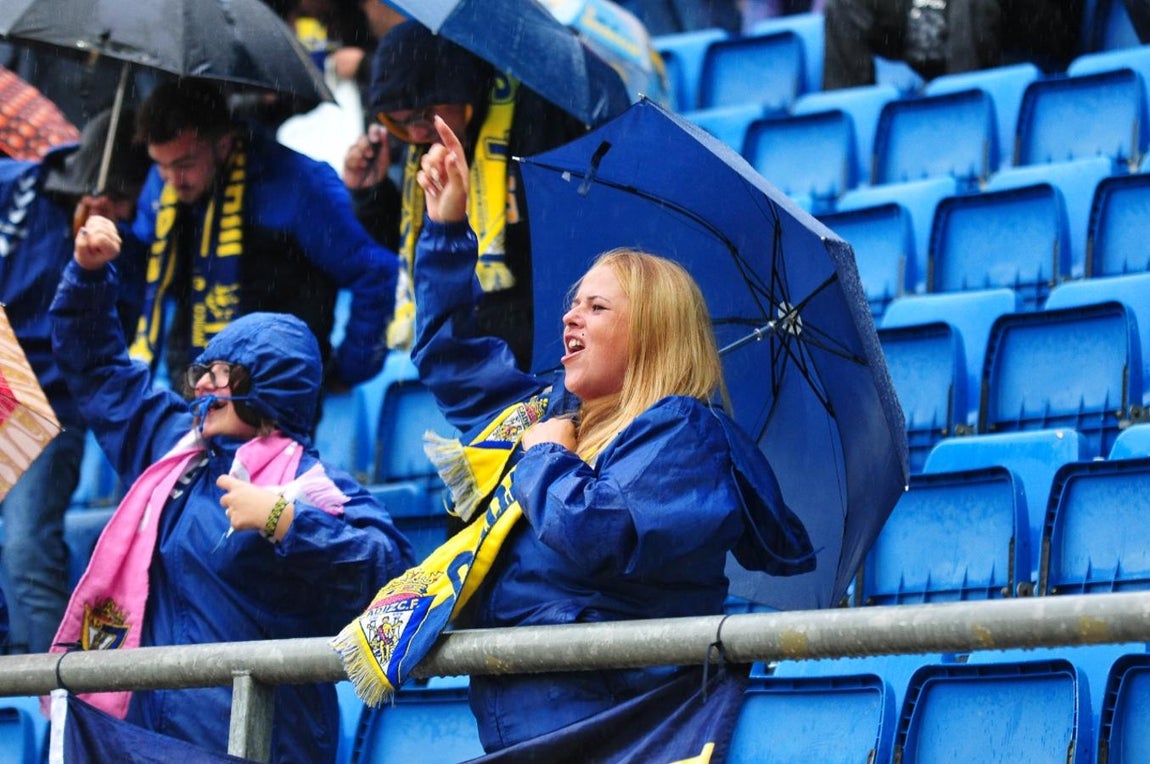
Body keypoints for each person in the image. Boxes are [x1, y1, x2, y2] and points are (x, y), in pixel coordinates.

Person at [332, 117, 815, 752]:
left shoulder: (687, 435)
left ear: (652, 332)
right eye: (573, 302)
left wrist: (546, 460)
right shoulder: (549, 415)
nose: (569, 315)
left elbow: (600, 534)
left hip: (620, 729)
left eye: (597, 306)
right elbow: (451, 362)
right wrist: (447, 230)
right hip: (530, 722)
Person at [48, 215, 415, 762]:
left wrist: (288, 522)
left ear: (267, 385)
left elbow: (395, 579)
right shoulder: (172, 448)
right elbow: (100, 370)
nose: (200, 384)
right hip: (146, 743)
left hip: (266, 745)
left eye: (221, 373)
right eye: (204, 370)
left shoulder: (316, 487)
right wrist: (87, 275)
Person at [117, 78, 398, 394]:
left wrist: (347, 370)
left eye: (185, 164)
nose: (172, 180)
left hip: (277, 398)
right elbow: (141, 276)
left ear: (223, 144)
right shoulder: (162, 185)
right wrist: (112, 244)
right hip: (194, 385)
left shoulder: (299, 184)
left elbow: (376, 274)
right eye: (161, 165)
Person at [341, 20, 592, 369]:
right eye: (398, 122)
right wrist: (370, 193)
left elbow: (567, 240)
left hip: (550, 339)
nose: (415, 133)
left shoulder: (539, 118)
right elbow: (423, 258)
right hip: (482, 351)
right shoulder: (425, 153)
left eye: (424, 114)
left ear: (460, 87)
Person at [0, 108, 151, 655]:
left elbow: (114, 332)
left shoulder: (129, 241)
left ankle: (44, 700)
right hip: (1, 380)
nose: (123, 212)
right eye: (116, 203)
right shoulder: (20, 185)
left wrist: (90, 265)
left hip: (50, 404)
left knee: (24, 550)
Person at [822, 0, 1084, 90]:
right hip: (941, 12)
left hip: (1033, 20)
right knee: (846, 4)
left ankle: (962, 109)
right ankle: (844, 134)